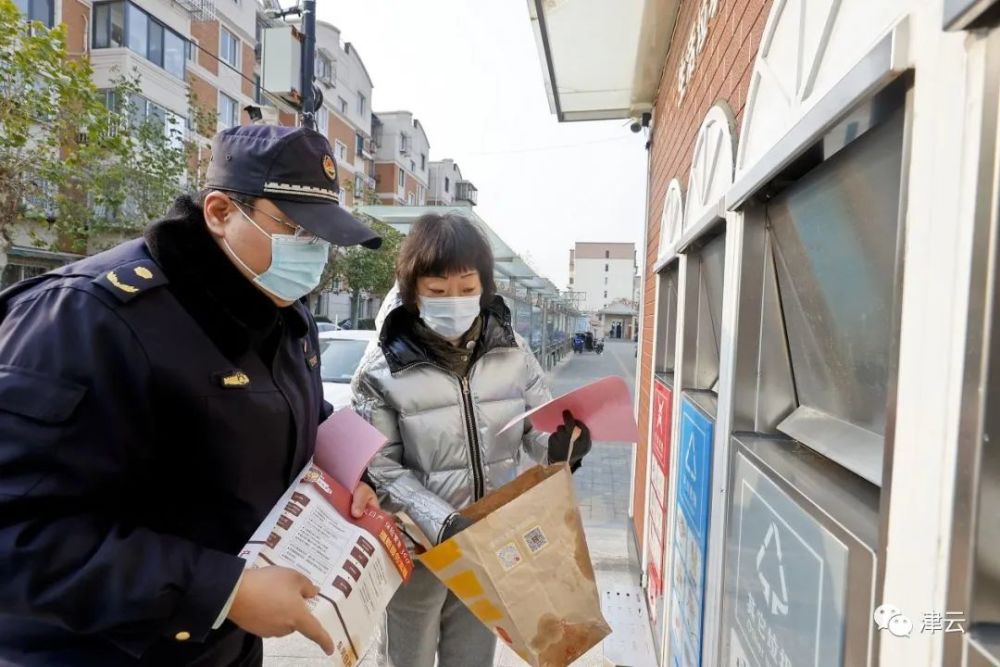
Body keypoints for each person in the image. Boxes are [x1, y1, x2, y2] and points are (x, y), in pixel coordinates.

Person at [0, 125, 383, 666]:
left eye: (324, 238)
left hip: (222, 645)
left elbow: (292, 413)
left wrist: (348, 475)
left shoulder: (280, 314)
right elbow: (18, 535)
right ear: (221, 212)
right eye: (296, 229)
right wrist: (222, 590)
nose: (314, 255)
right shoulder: (88, 319)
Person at [352, 213, 593, 667]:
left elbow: (534, 427)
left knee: (473, 658)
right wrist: (444, 522)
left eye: (467, 288)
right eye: (438, 291)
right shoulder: (380, 369)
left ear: (485, 285)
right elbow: (381, 468)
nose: (455, 301)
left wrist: (561, 449)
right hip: (415, 552)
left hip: (490, 542)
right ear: (412, 292)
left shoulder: (513, 350)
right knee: (408, 658)